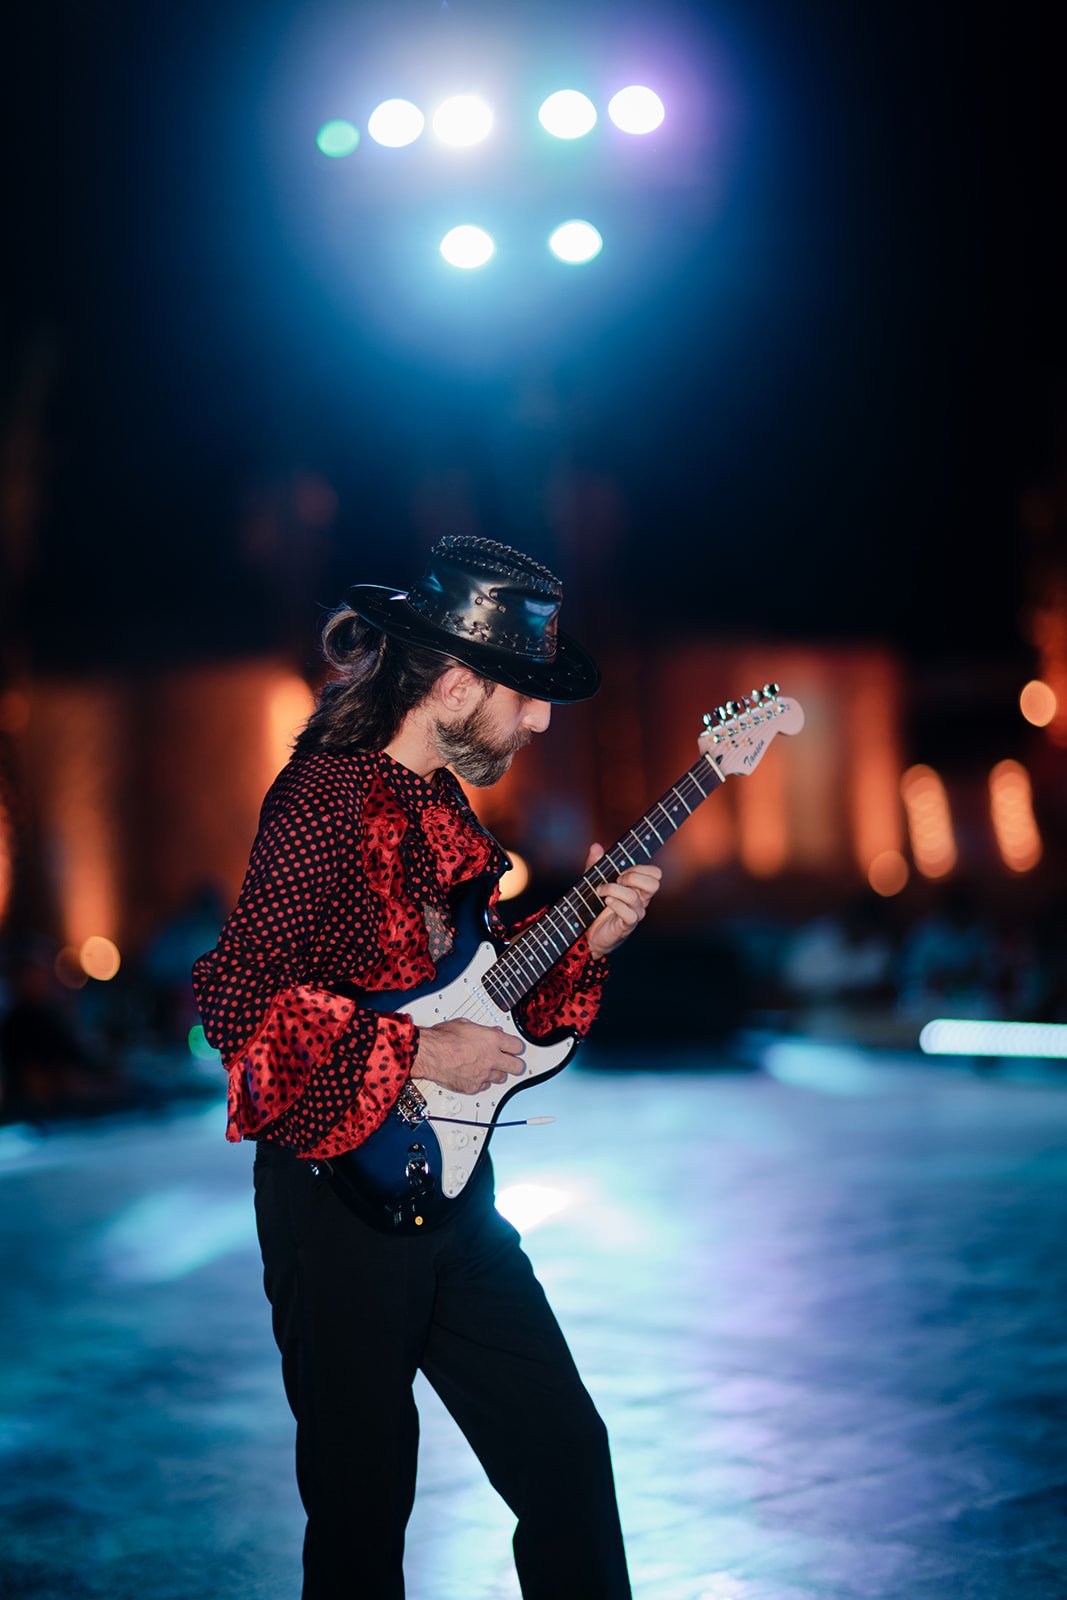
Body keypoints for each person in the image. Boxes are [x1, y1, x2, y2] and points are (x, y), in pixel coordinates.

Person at [192, 536, 661, 1599]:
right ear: (454, 684)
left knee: (566, 1463)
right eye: (524, 696)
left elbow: (473, 998)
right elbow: (233, 999)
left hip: (456, 1206)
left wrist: (583, 939)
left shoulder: (442, 806)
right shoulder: (320, 802)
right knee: (362, 1524)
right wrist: (407, 1056)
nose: (540, 720)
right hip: (335, 1212)